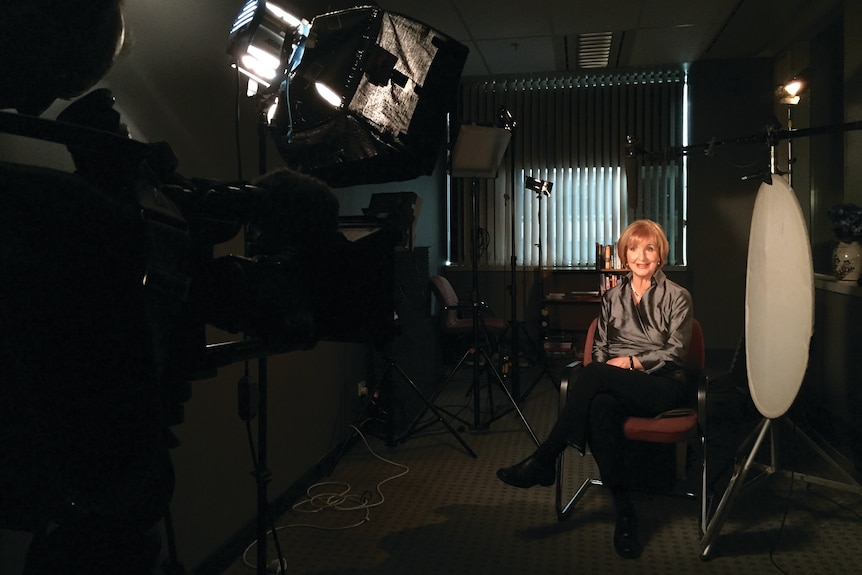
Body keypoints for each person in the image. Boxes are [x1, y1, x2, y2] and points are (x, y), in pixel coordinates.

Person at [496, 219, 693, 560]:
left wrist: (632, 363)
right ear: (624, 255)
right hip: (612, 384)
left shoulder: (678, 296)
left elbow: (675, 351)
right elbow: (599, 348)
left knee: (593, 379)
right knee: (599, 405)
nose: (641, 256)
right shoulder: (613, 296)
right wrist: (608, 369)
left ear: (660, 254)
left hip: (662, 385)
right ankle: (626, 514)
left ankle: (545, 458)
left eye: (649, 248)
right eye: (633, 249)